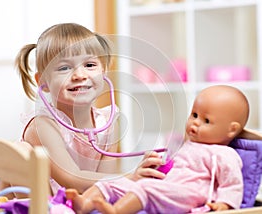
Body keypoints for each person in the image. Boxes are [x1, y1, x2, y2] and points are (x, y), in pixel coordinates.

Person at [15, 23, 165, 194]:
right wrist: (129, 177)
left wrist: (140, 175)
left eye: (90, 65)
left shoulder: (108, 123)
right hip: (37, 204)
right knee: (22, 152)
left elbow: (104, 187)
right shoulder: (43, 125)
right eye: (64, 68)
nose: (80, 75)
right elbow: (70, 179)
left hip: (81, 201)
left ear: (103, 72)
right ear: (43, 82)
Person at [66, 85, 249, 214]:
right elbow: (170, 168)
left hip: (188, 194)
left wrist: (225, 204)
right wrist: (156, 167)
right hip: (165, 187)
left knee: (146, 188)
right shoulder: (185, 145)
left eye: (206, 121)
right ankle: (85, 205)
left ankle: (116, 211)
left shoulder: (224, 154)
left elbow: (232, 183)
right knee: (113, 182)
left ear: (231, 129)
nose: (195, 123)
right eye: (194, 115)